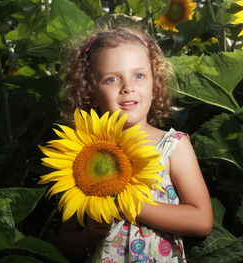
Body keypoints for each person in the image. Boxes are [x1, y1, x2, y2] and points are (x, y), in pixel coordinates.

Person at [58, 25, 213, 263]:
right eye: (112, 79)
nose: (128, 87)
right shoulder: (82, 155)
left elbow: (202, 221)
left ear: (155, 86)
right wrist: (90, 235)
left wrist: (130, 206)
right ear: (89, 91)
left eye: (139, 76)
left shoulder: (173, 146)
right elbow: (66, 242)